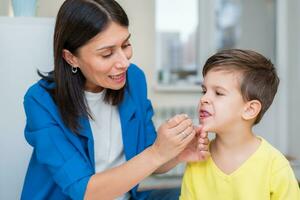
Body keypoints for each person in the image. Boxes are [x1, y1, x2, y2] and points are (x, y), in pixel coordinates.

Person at [21, 0, 210, 200]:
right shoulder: (41, 101)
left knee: (196, 194)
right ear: (71, 58)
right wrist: (157, 153)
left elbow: (146, 156)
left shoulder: (134, 79)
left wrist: (177, 153)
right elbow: (85, 191)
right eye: (107, 53)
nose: (124, 62)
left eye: (126, 44)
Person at [180, 49, 300, 200]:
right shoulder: (197, 160)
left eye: (218, 93)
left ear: (250, 109)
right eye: (204, 91)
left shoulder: (275, 166)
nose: (204, 99)